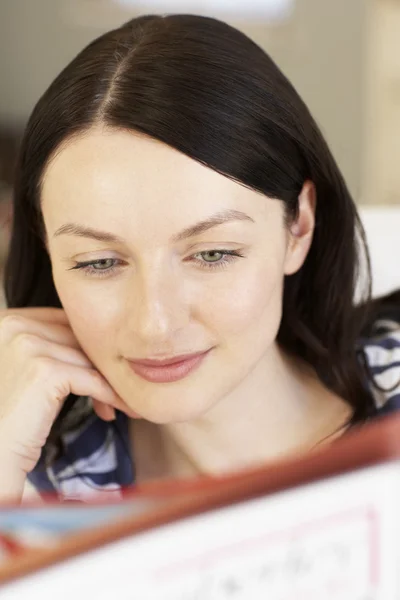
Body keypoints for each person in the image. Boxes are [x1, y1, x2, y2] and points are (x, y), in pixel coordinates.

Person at [0, 14, 399, 503]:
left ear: (299, 226)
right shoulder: (35, 474)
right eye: (99, 263)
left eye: (212, 254)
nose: (155, 325)